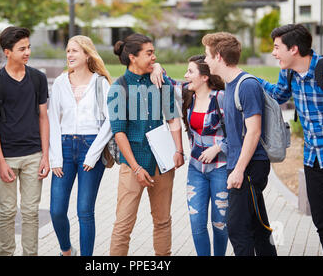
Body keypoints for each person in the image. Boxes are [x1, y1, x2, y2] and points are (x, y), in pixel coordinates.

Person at [257, 24, 323, 256]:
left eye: (277, 47)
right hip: (313, 161)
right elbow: (277, 95)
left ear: (294, 49)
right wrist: (244, 78)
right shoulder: (289, 73)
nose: (273, 52)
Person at [107, 33, 184, 256]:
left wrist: (178, 150)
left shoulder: (160, 81)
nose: (154, 57)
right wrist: (136, 167)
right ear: (133, 57)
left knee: (163, 221)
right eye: (149, 53)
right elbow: (119, 132)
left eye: (153, 53)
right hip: (133, 165)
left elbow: (172, 117)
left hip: (162, 162)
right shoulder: (118, 88)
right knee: (123, 225)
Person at [202, 32, 277, 256]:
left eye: (207, 55)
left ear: (218, 56)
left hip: (250, 167)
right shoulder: (230, 85)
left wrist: (238, 170)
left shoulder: (246, 85)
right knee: (258, 227)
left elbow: (254, 132)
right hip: (241, 166)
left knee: (237, 228)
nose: (205, 60)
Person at [0, 26, 50, 256]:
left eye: (29, 47)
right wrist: (0, 162)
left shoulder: (38, 78)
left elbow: (43, 117)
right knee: (8, 211)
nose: (27, 52)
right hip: (7, 157)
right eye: (22, 48)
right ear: (7, 52)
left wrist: (45, 156)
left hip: (33, 156)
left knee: (31, 212)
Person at [48, 35, 113, 256]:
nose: (69, 55)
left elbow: (110, 121)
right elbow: (52, 121)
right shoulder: (60, 82)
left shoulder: (100, 83)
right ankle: (66, 250)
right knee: (56, 210)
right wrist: (55, 157)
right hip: (64, 148)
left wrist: (93, 154)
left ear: (87, 54)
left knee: (85, 211)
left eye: (74, 51)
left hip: (90, 147)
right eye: (67, 51)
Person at [181, 55, 229, 256]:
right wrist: (157, 67)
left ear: (205, 77)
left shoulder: (221, 98)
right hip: (195, 169)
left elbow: (240, 132)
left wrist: (217, 148)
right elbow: (166, 81)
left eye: (190, 72)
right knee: (196, 222)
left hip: (221, 169)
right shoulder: (187, 96)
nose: (186, 75)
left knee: (220, 223)